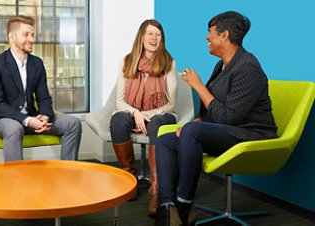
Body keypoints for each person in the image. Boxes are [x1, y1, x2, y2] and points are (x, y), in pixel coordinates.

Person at [155, 11, 278, 225]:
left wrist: (198, 86)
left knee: (191, 133)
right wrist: (198, 122)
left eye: (210, 32)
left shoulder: (248, 67)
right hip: (228, 130)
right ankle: (168, 207)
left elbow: (228, 117)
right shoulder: (222, 65)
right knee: (165, 141)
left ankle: (184, 204)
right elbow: (217, 109)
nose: (207, 37)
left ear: (224, 35)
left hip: (249, 134)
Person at [0, 16, 82, 162]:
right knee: (14, 128)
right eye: (26, 34)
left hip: (33, 117)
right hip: (4, 118)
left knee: (73, 123)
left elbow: (44, 97)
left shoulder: (37, 63)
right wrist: (27, 120)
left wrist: (45, 116)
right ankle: (15, 180)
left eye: (33, 35)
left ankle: (69, 172)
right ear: (12, 37)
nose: (32, 39)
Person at [109, 19, 178, 217]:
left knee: (157, 123)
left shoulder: (169, 63)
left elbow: (170, 104)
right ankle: (130, 179)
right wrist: (135, 113)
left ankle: (155, 190)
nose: (154, 38)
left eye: (158, 34)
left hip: (161, 114)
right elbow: (120, 101)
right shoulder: (127, 61)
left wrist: (146, 115)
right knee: (118, 120)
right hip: (134, 112)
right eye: (150, 33)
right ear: (141, 36)